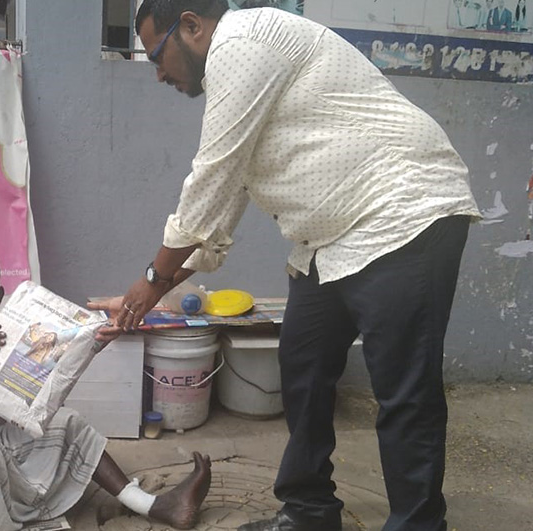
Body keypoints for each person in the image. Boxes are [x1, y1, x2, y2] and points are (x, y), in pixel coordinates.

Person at [92, 2, 481, 531]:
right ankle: (309, 512)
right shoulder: (239, 78)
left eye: (156, 55)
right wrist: (152, 292)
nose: (158, 74)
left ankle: (416, 523)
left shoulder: (240, 42)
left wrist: (149, 283)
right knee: (302, 368)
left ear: (191, 25)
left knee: (404, 391)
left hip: (401, 211)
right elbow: (219, 207)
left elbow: (210, 179)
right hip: (329, 238)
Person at [0, 242, 212, 531]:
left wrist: (91, 343)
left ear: (0, 295)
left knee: (65, 422)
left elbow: (16, 407)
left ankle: (152, 505)